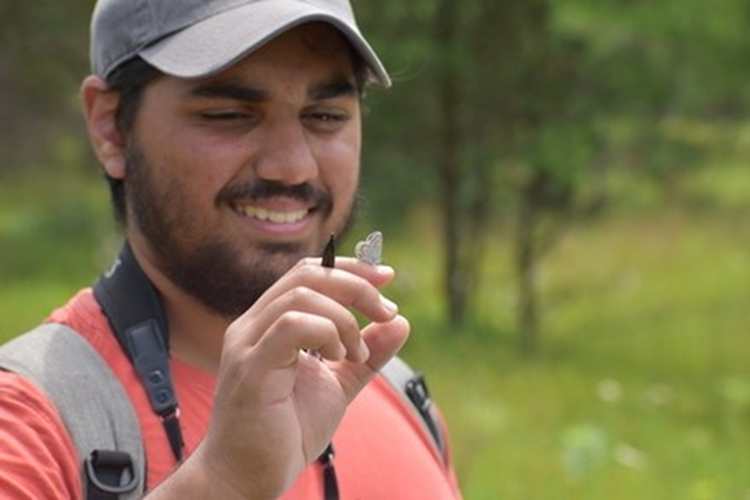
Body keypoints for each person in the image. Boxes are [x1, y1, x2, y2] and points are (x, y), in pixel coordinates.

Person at [0, 0, 462, 499]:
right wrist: (223, 483)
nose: (292, 166)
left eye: (325, 115)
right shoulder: (29, 431)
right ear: (111, 127)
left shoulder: (398, 394)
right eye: (229, 115)